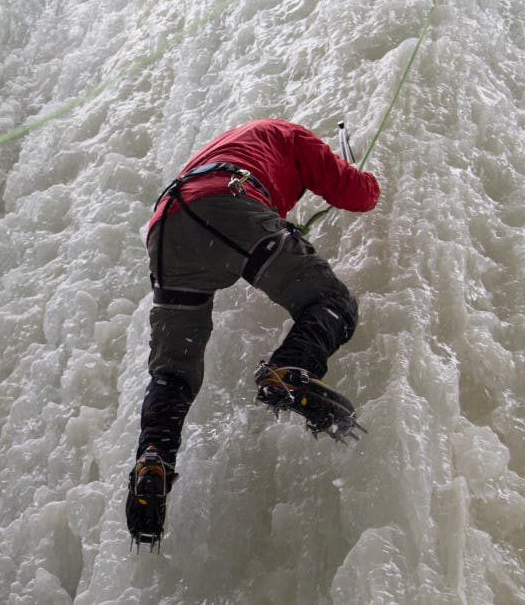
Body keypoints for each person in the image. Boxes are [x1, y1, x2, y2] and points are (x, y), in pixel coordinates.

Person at [125, 118, 380, 549]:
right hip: (227, 206)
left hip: (167, 227)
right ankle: (290, 367)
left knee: (173, 372)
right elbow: (357, 194)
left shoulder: (233, 143)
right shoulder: (291, 134)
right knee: (332, 303)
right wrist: (369, 175)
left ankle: (154, 459)